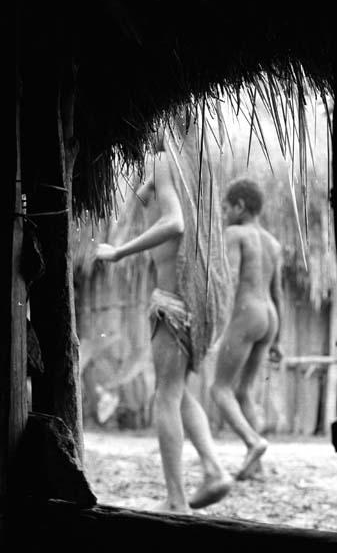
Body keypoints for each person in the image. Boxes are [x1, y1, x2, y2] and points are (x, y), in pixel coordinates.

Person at [95, 112, 233, 513]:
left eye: (153, 121)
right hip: (195, 301)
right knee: (180, 391)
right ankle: (213, 470)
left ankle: (176, 500)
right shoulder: (194, 170)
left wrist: (119, 251)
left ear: (170, 122)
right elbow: (148, 201)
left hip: (173, 300)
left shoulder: (164, 161)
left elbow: (173, 223)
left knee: (165, 396)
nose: (147, 128)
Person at [211, 177, 284, 481]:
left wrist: (217, 323)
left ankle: (253, 442)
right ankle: (256, 466)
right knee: (244, 391)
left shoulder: (234, 233)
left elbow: (229, 282)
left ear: (240, 206)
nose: (225, 214)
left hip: (246, 312)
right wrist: (279, 338)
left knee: (218, 389)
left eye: (227, 208)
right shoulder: (272, 242)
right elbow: (279, 293)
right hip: (269, 317)